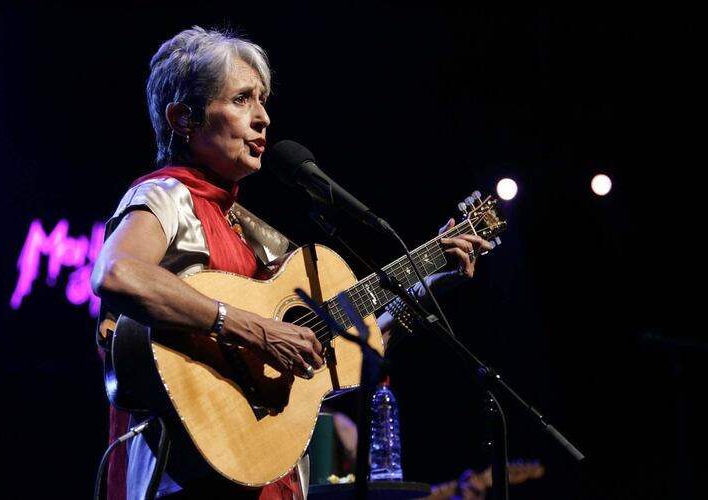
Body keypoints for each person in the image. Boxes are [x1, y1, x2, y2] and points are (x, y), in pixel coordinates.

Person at [92, 26, 492, 500]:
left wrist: (424, 287)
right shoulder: (165, 195)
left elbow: (344, 355)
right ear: (183, 119)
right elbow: (117, 272)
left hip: (268, 474)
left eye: (262, 100)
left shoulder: (257, 237)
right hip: (187, 475)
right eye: (241, 99)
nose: (262, 118)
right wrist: (253, 328)